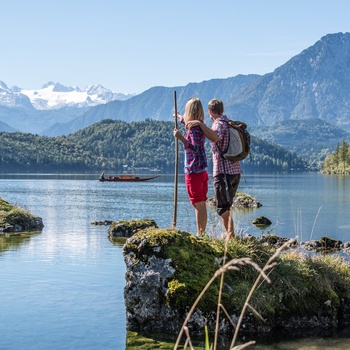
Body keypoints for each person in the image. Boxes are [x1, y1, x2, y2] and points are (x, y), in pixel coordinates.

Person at [187, 98, 241, 240]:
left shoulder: (218, 124)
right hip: (235, 171)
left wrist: (199, 123)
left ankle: (231, 238)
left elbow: (215, 137)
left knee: (223, 208)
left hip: (223, 172)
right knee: (226, 207)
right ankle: (230, 236)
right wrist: (182, 118)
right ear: (221, 109)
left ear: (210, 111)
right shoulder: (228, 122)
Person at [173, 97, 209, 236]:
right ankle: (202, 233)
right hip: (202, 170)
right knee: (200, 202)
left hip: (194, 170)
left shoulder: (194, 129)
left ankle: (201, 234)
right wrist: (180, 117)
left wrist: (180, 137)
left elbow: (195, 148)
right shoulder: (199, 125)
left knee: (198, 203)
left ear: (191, 110)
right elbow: (188, 123)